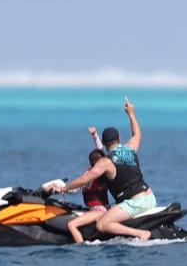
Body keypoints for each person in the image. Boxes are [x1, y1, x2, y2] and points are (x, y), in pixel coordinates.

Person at [56, 98, 156, 241]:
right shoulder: (130, 148)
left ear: (103, 143)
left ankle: (140, 234)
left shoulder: (106, 162)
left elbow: (85, 179)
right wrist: (131, 113)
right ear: (119, 139)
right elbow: (137, 134)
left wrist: (64, 188)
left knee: (102, 224)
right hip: (150, 198)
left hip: (135, 203)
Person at [65, 146, 112, 243]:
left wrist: (63, 189)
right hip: (97, 210)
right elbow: (77, 187)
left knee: (71, 225)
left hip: (100, 212)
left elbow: (77, 188)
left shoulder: (96, 177)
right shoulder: (97, 175)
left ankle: (82, 248)